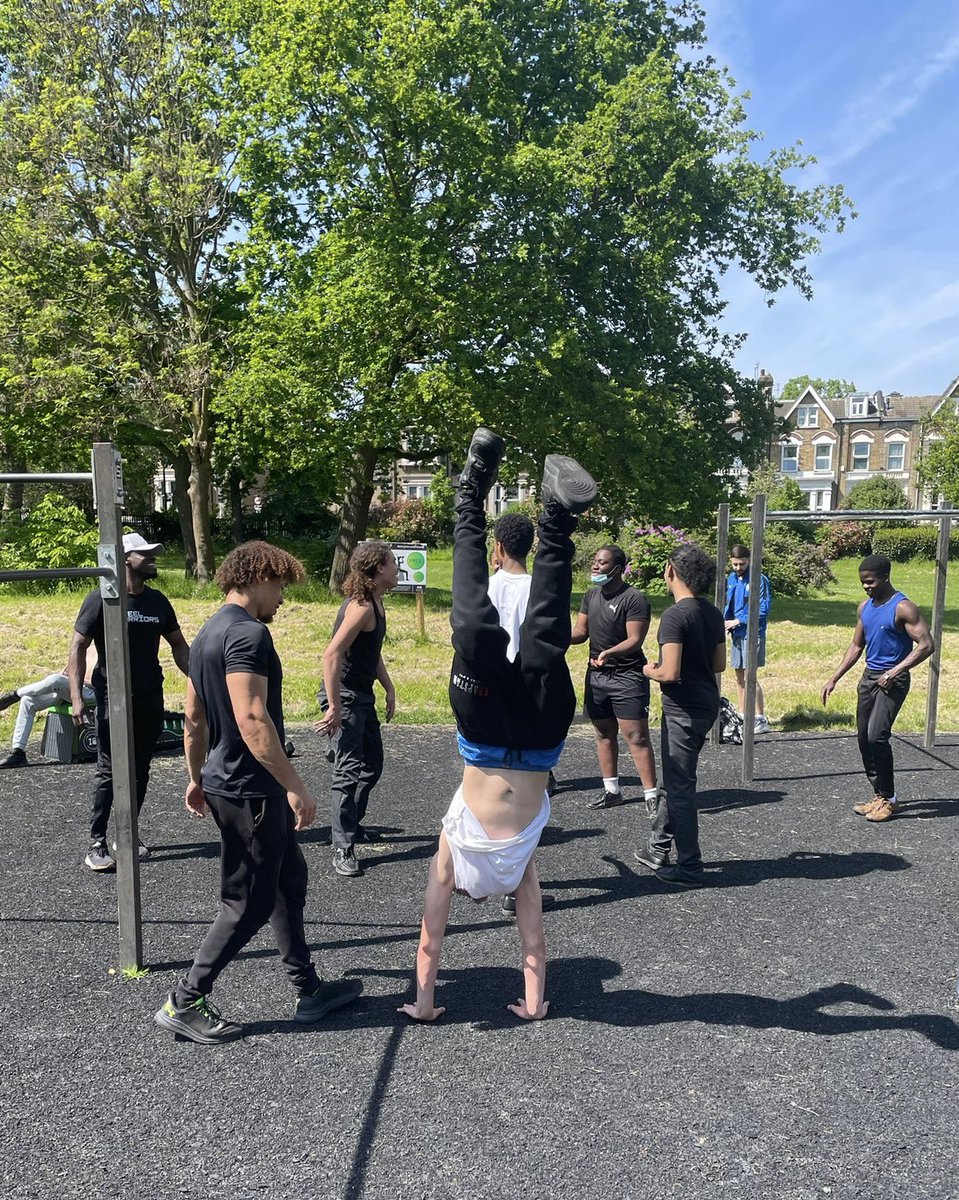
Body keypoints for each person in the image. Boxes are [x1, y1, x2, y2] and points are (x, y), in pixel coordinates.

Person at [397, 429, 596, 1023]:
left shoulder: (520, 861)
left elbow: (533, 945)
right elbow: (429, 942)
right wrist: (423, 1002)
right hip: (486, 733)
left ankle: (556, 519)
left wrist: (535, 1004)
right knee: (474, 631)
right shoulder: (454, 849)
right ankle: (473, 489)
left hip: (537, 736)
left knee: (544, 640)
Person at [155, 541, 362, 1045]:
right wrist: (297, 787)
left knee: (289, 880)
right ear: (256, 577)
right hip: (252, 789)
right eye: (279, 586)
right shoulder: (248, 634)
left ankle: (308, 989)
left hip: (232, 784)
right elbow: (252, 718)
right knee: (246, 901)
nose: (282, 599)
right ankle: (185, 1001)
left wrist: (197, 775)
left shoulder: (206, 632)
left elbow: (193, 718)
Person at [69, 533, 190, 871]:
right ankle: (97, 841)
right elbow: (78, 646)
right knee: (109, 769)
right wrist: (77, 697)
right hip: (112, 698)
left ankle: (127, 832)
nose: (152, 558)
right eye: (145, 554)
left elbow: (179, 645)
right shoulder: (101, 600)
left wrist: (199, 678)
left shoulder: (158, 602)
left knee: (140, 769)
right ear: (124, 558)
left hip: (150, 697)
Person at [633, 544, 726, 888]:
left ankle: (690, 866)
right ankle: (658, 848)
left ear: (672, 571)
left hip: (682, 709)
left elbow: (669, 673)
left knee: (681, 788)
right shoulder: (713, 613)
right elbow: (718, 665)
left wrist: (648, 670)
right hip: (706, 704)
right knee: (675, 780)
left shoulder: (674, 616)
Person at [821, 554, 933, 822]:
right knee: (863, 738)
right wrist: (834, 678)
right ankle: (879, 795)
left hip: (893, 680)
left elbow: (927, 645)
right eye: (862, 583)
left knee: (877, 736)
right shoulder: (865, 608)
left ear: (885, 577)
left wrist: (895, 671)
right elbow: (857, 646)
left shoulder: (903, 608)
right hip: (869, 678)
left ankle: (890, 799)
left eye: (870, 582)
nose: (866, 587)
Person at [316, 541, 398, 878]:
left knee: (373, 765)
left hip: (362, 695)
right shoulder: (361, 607)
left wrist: (389, 687)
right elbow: (331, 654)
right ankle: (343, 846)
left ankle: (349, 822)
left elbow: (370, 650)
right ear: (379, 569)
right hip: (346, 697)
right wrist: (333, 705)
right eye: (392, 563)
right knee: (348, 770)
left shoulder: (376, 601)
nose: (396, 568)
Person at [569, 545, 661, 813]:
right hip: (597, 676)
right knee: (603, 732)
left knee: (636, 736)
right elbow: (580, 632)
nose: (596, 567)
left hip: (627, 676)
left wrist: (608, 652)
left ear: (618, 568)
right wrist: (554, 636)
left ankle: (651, 795)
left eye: (602, 563)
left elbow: (634, 640)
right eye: (595, 562)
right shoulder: (590, 595)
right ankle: (612, 791)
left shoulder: (634, 599)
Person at [0, 654, 97, 768]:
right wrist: (65, 675)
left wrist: (79, 680)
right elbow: (72, 668)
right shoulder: (87, 645)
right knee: (28, 701)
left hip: (92, 692)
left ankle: (14, 695)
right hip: (72, 688)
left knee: (55, 680)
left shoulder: (111, 647)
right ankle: (18, 752)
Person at [724, 544, 772, 733]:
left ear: (749, 560)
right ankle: (743, 715)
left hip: (752, 633)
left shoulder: (759, 580)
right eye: (735, 564)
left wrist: (738, 621)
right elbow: (728, 604)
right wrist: (726, 622)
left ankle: (760, 717)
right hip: (736, 633)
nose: (738, 568)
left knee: (750, 675)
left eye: (741, 564)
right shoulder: (731, 578)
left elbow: (762, 609)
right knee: (739, 676)